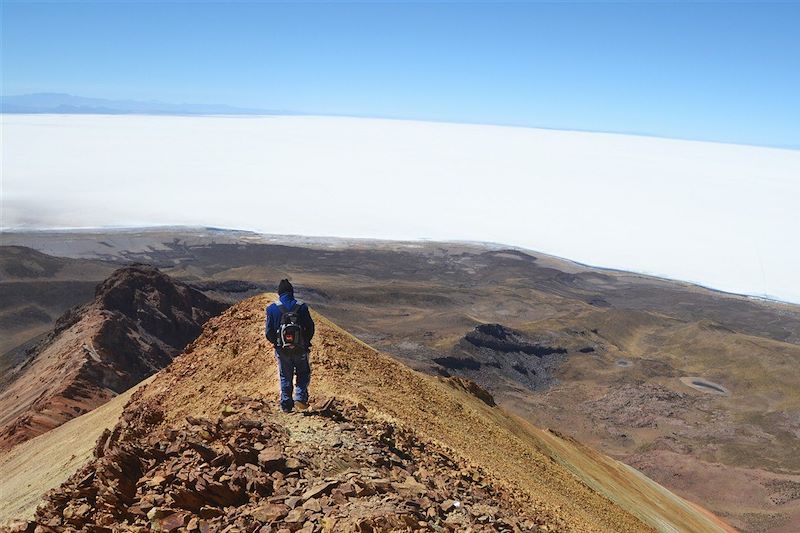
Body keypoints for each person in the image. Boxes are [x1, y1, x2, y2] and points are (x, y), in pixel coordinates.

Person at [265, 279, 315, 413]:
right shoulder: (302, 307)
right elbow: (310, 327)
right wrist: (305, 342)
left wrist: (276, 343)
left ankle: (286, 405)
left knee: (285, 375)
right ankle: (299, 398)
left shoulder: (272, 309)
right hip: (300, 348)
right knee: (303, 373)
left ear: (279, 293)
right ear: (292, 292)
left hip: (282, 349)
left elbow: (268, 332)